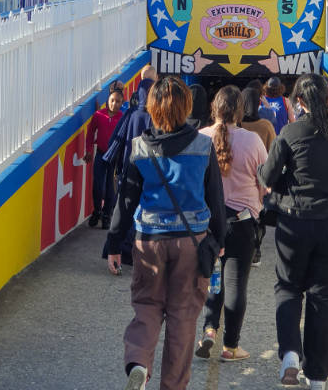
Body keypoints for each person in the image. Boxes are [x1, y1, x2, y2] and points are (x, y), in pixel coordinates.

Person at [106, 76, 225, 390]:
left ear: (151, 109)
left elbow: (126, 198)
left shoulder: (140, 147)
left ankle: (138, 362)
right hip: (192, 240)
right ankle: (172, 385)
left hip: (149, 240)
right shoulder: (203, 145)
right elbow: (216, 198)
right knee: (183, 318)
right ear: (186, 106)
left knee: (146, 307)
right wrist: (219, 240)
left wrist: (114, 243)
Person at [258, 73, 328, 389]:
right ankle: (317, 377)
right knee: (322, 296)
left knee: (288, 287)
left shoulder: (290, 132)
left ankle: (289, 355)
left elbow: (268, 176)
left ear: (299, 101)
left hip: (295, 223)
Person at [196, 85, 267, 362]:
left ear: (214, 108)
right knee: (236, 285)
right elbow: (264, 183)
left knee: (213, 281)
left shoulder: (200, 138)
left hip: (207, 224)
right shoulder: (252, 141)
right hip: (241, 223)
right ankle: (231, 347)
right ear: (240, 111)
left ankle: (209, 331)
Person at [241, 86, 276, 267]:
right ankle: (256, 250)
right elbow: (273, 153)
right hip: (259, 179)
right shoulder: (265, 126)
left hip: (239, 178)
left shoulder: (237, 125)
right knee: (258, 215)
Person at [84, 81, 125, 230]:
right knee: (97, 186)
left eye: (118, 101)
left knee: (110, 188)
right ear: (108, 100)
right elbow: (90, 134)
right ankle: (97, 211)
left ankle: (107, 215)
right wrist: (88, 150)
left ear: (122, 103)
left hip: (114, 157)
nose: (114, 104)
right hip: (100, 155)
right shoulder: (98, 115)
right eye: (112, 100)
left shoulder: (122, 117)